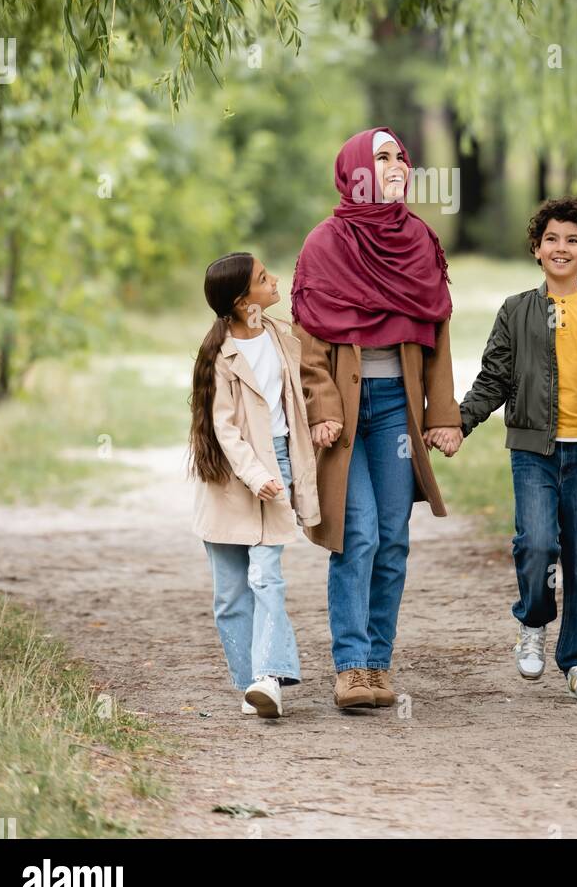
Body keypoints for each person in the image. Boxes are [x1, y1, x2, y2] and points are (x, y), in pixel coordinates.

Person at [292, 126, 462, 711]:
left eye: (401, 157)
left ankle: (378, 665)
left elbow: (438, 332)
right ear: (356, 170)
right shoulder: (324, 244)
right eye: (383, 157)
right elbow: (310, 341)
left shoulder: (419, 241)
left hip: (396, 411)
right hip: (344, 411)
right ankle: (350, 665)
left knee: (393, 538)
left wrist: (443, 414)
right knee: (357, 532)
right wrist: (322, 409)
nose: (396, 165)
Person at [457, 197, 577, 702]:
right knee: (537, 544)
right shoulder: (517, 311)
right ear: (537, 250)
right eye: (552, 239)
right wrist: (460, 422)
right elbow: (493, 379)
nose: (561, 248)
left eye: (573, 241)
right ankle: (534, 621)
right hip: (533, 453)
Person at [188, 251, 320, 718]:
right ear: (245, 301)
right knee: (229, 594)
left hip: (277, 464)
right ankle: (250, 684)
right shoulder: (220, 355)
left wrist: (321, 424)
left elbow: (309, 388)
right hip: (229, 477)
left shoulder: (284, 338)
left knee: (267, 577)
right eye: (265, 279)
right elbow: (224, 428)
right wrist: (255, 473)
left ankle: (269, 677)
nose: (275, 280)